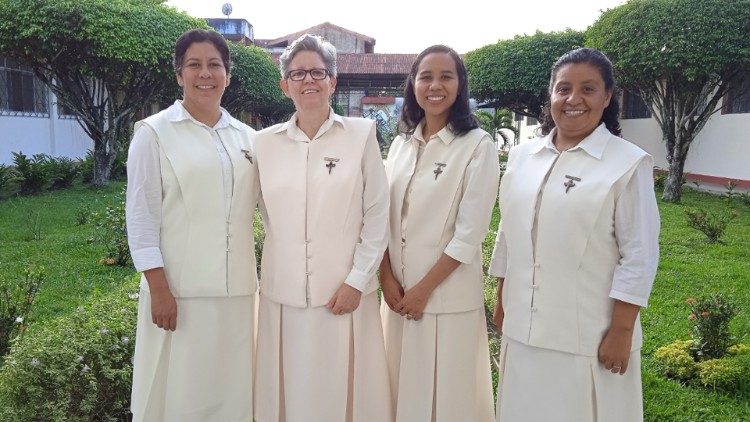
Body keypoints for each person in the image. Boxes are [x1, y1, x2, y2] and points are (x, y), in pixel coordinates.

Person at [490, 48, 660, 422]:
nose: (573, 99)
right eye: (563, 88)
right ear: (550, 94)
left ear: (607, 97)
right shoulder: (521, 157)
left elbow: (640, 254)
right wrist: (502, 296)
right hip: (523, 324)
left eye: (588, 89)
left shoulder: (626, 163)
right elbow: (509, 231)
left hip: (588, 333)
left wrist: (621, 329)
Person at [252, 34, 392, 422]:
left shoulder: (361, 134)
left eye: (318, 72)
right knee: (291, 395)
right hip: (284, 295)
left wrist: (358, 280)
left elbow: (378, 213)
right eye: (298, 73)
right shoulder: (263, 144)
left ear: (333, 80)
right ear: (284, 85)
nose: (308, 80)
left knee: (345, 395)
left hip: (344, 292)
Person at [126, 29, 259, 421]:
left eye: (215, 65)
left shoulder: (248, 138)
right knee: (182, 396)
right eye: (194, 65)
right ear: (178, 74)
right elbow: (141, 216)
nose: (206, 73)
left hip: (238, 293)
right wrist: (159, 289)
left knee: (232, 394)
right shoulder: (154, 133)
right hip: (181, 295)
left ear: (228, 75)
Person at [379, 44, 499, 422]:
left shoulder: (477, 146)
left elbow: (470, 233)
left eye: (446, 76)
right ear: (412, 84)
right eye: (425, 76)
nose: (435, 85)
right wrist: (387, 279)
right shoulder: (400, 144)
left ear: (460, 85)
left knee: (447, 398)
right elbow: (380, 216)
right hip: (397, 295)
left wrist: (423, 290)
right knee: (398, 389)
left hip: (445, 297)